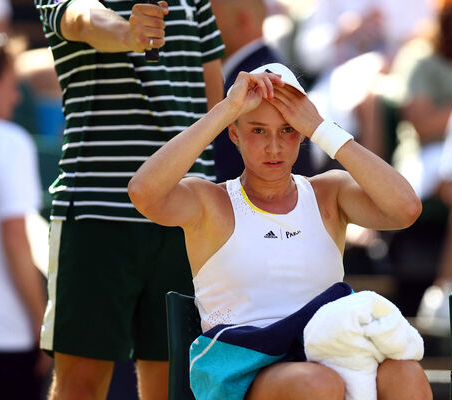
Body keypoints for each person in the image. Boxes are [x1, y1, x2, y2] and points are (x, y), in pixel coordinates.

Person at [128, 63, 431, 400]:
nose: (274, 146)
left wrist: (320, 127)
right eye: (258, 130)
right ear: (234, 134)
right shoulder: (210, 201)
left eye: (287, 129)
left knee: (406, 374)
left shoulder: (329, 193)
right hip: (241, 366)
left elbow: (406, 209)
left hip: (325, 353)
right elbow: (143, 192)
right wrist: (227, 109)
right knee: (317, 383)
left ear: (301, 133)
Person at [33, 0, 224, 398]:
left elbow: (212, 97)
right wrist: (129, 33)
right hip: (97, 216)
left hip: (186, 217)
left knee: (174, 387)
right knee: (79, 386)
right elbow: (82, 19)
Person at [0, 34, 52, 400]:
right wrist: (40, 323)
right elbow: (15, 237)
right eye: (10, 84)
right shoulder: (11, 142)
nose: (16, 97)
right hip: (8, 337)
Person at [210, 0, 313, 182]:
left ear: (242, 19)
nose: (202, 28)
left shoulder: (258, 81)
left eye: (210, 18)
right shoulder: (264, 70)